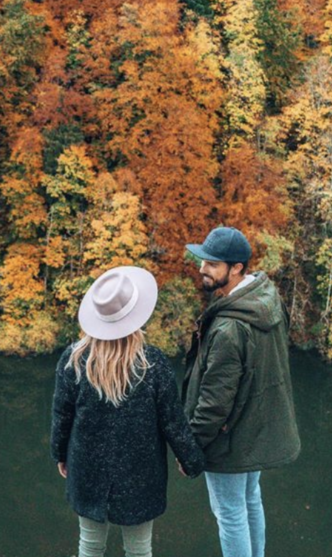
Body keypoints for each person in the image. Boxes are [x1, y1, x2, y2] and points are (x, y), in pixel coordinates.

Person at [51, 266, 205, 557]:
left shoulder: (74, 361)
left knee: (90, 546)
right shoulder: (153, 364)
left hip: (87, 469)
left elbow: (62, 417)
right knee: (138, 551)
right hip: (141, 474)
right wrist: (191, 460)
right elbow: (173, 422)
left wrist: (60, 455)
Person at [183, 227, 301, 557]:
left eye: (212, 263)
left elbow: (214, 402)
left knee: (230, 515)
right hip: (254, 428)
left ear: (236, 268)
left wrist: (191, 447)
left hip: (229, 438)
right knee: (250, 500)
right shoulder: (264, 300)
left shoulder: (229, 327)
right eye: (202, 260)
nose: (202, 268)